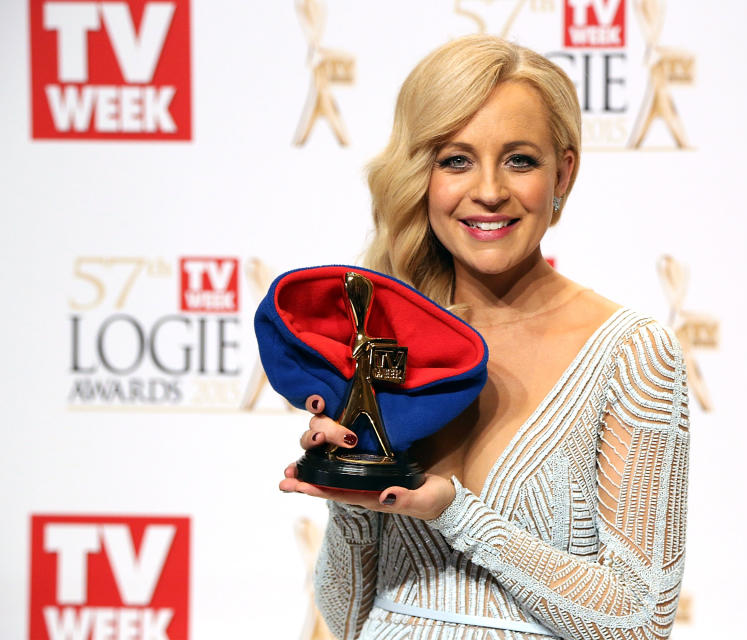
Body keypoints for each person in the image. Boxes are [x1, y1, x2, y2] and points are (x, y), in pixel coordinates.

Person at [279, 34, 690, 640]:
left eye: (520, 160)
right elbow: (345, 618)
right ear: (422, 175)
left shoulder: (632, 353)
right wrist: (349, 491)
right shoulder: (384, 341)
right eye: (456, 159)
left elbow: (640, 620)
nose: (490, 190)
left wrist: (455, 513)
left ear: (563, 174)